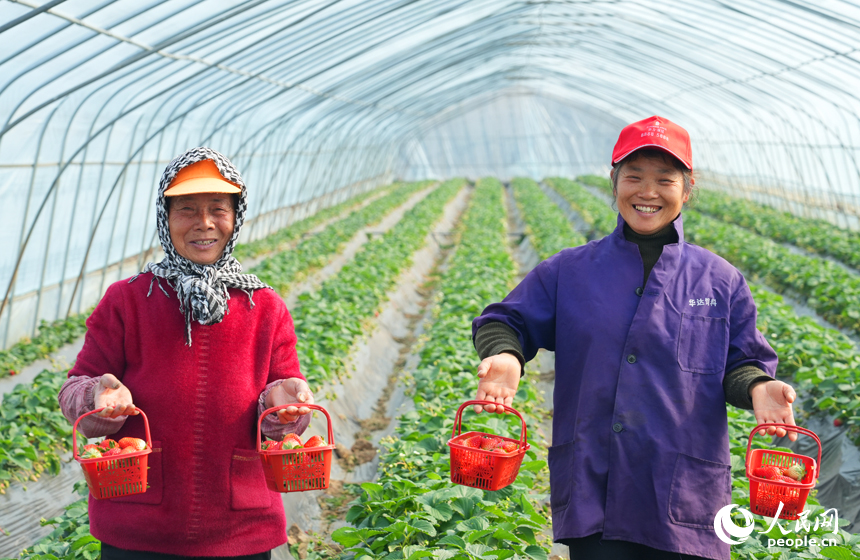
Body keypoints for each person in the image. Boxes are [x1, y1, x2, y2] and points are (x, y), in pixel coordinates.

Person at [471, 116, 798, 560]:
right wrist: (506, 356)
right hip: (596, 490)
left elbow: (741, 362)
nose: (647, 192)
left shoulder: (719, 280)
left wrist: (760, 387)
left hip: (684, 496)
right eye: (634, 177)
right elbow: (504, 321)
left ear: (686, 187)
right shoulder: (571, 270)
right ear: (614, 182)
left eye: (664, 179)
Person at [59, 147, 315, 559]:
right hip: (139, 526)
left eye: (218, 208)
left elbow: (287, 421)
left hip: (239, 528)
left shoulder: (264, 307)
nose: (205, 224)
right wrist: (95, 397)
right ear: (165, 217)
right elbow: (73, 392)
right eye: (187, 210)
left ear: (236, 216)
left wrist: (284, 407)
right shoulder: (128, 300)